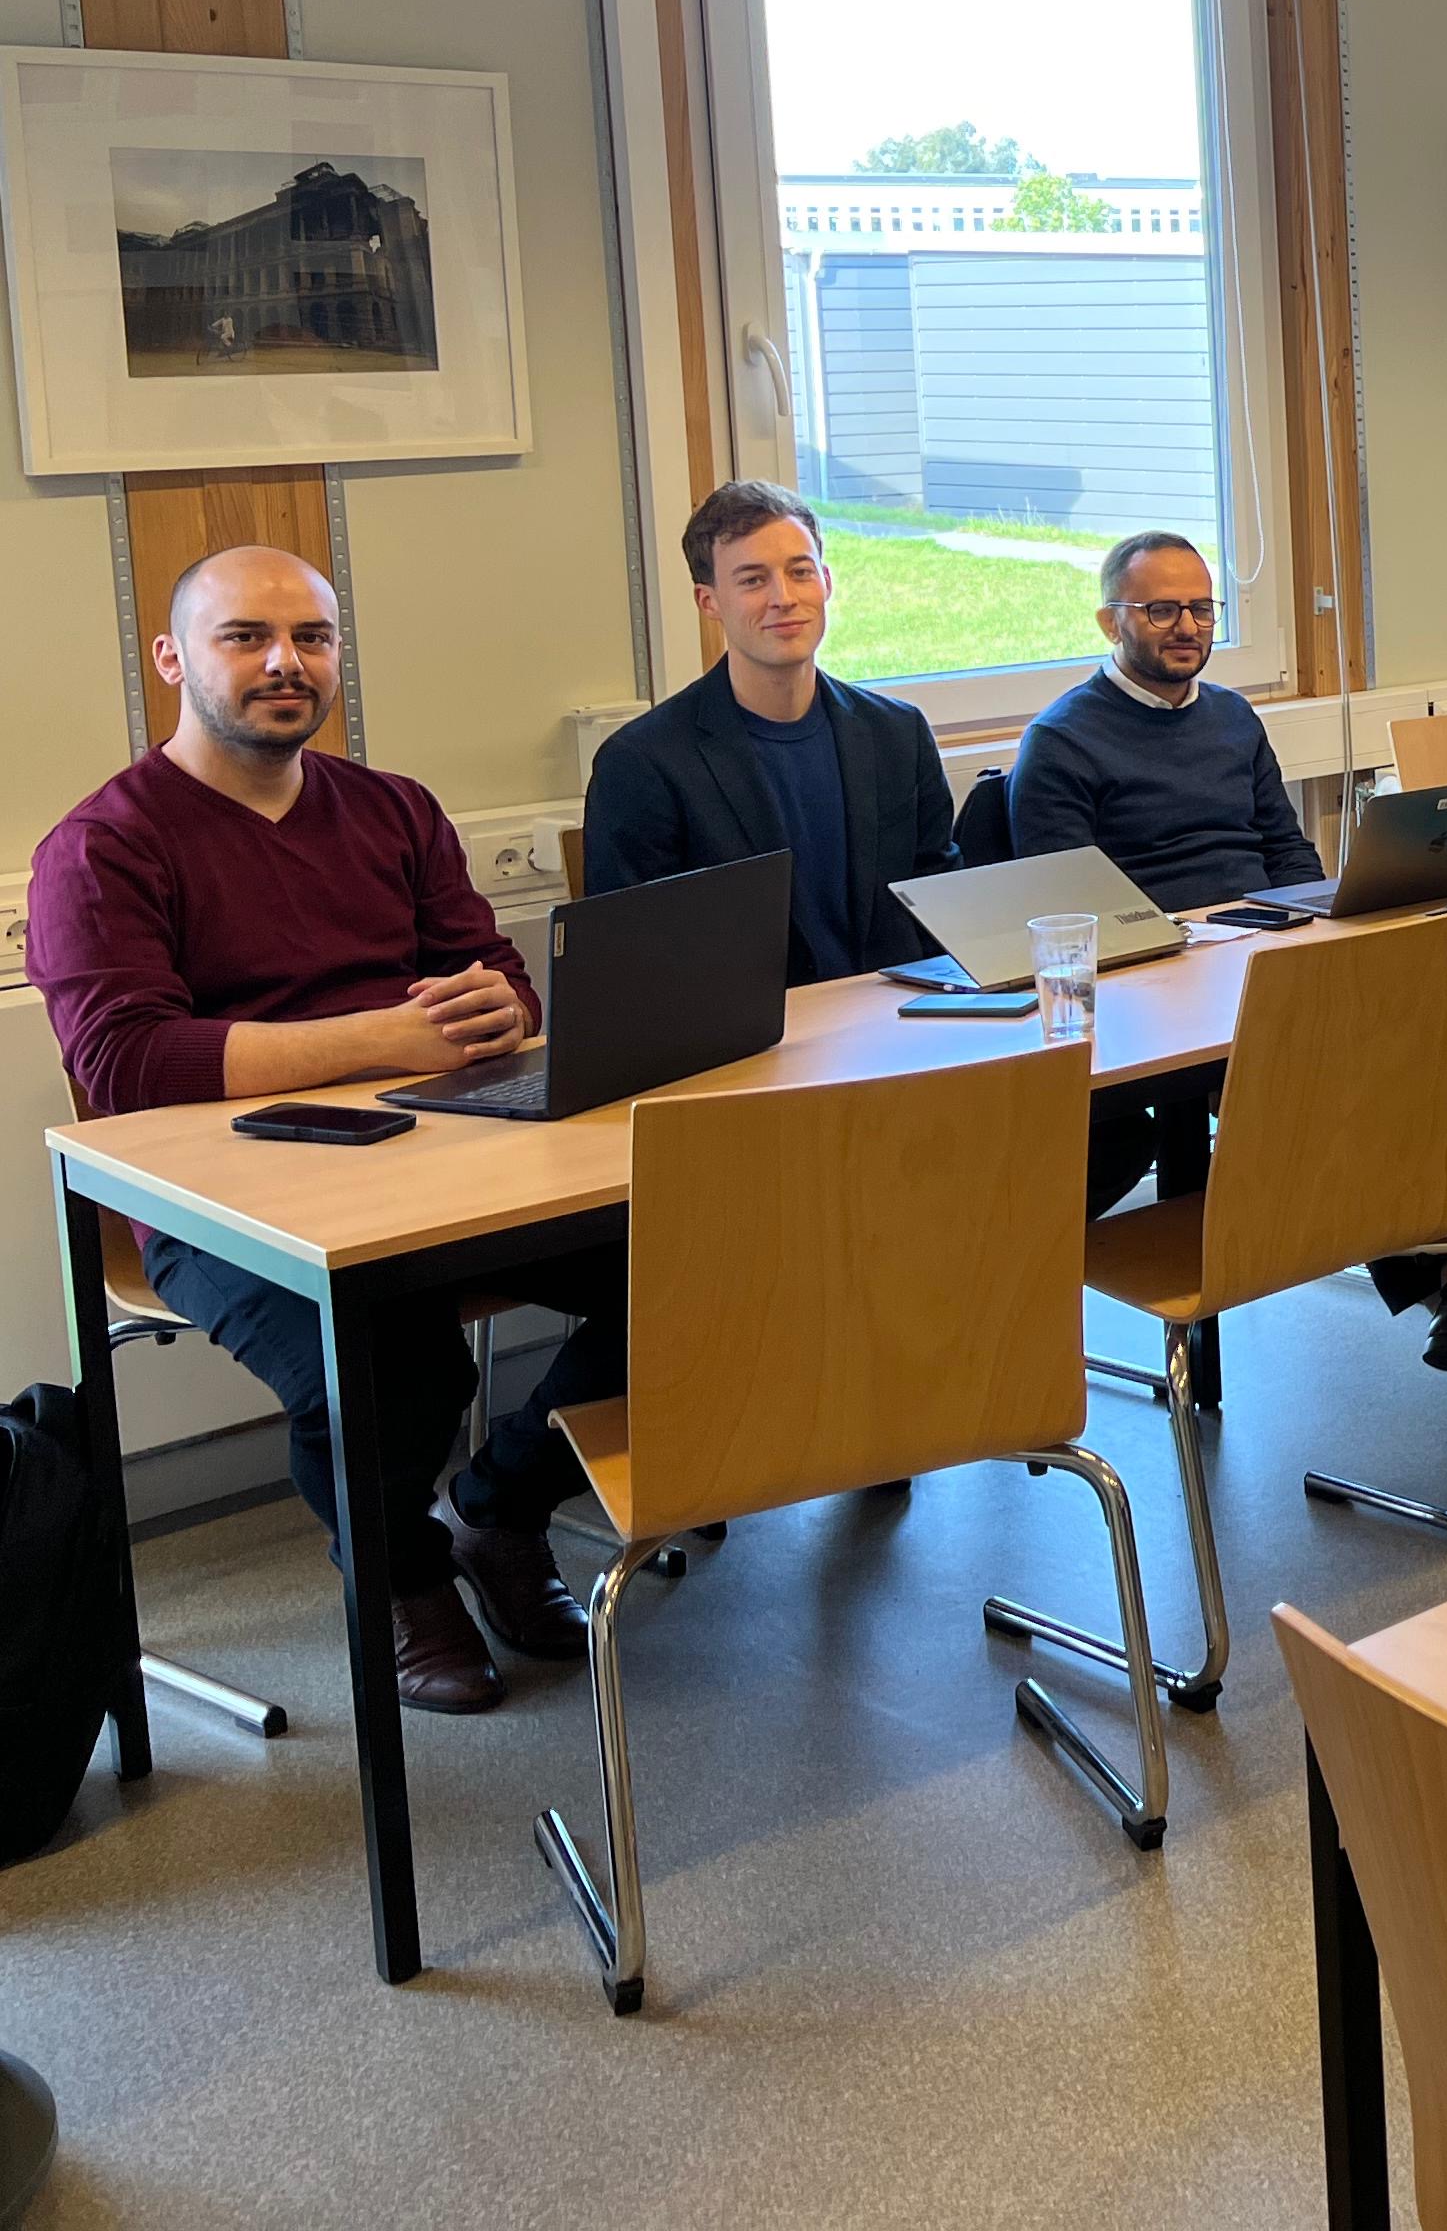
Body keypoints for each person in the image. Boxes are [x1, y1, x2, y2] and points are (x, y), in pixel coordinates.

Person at [29, 548, 623, 1715]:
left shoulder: (394, 808)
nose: (285, 663)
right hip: (216, 1200)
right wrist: (383, 1038)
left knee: (691, 1263)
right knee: (391, 1361)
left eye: (312, 636)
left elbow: (498, 980)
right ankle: (403, 1579)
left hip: (442, 1158)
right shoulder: (102, 846)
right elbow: (128, 1064)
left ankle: (499, 1509)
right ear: (172, 660)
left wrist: (502, 1008)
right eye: (245, 637)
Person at [1009, 530, 1316, 1222]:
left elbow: (1287, 849)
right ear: (1109, 622)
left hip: (1259, 954)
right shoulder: (1061, 740)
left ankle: (1442, 1268)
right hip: (1148, 983)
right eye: (1161, 610)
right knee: (1305, 1084)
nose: (1187, 627)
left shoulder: (1233, 716)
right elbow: (1068, 909)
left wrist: (1317, 930)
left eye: (1202, 609)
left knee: (1407, 1043)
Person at [582, 482, 957, 984]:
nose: (783, 598)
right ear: (709, 602)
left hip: (896, 1013)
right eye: (753, 580)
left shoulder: (898, 733)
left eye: (800, 572)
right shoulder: (643, 763)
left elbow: (942, 910)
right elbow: (631, 959)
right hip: (744, 1026)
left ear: (826, 581)